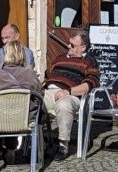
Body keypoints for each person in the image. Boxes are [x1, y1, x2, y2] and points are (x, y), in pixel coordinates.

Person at [42, 29, 99, 159]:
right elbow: (47, 75)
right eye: (69, 43)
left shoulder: (90, 61)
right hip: (49, 91)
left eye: (73, 45)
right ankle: (35, 143)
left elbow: (89, 84)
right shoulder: (59, 58)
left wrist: (67, 91)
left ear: (83, 47)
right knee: (34, 100)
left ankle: (63, 145)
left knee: (64, 104)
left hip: (72, 94)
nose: (68, 47)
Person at [0, 39, 42, 120]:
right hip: (25, 122)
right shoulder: (31, 75)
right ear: (23, 55)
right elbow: (40, 96)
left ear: (5, 55)